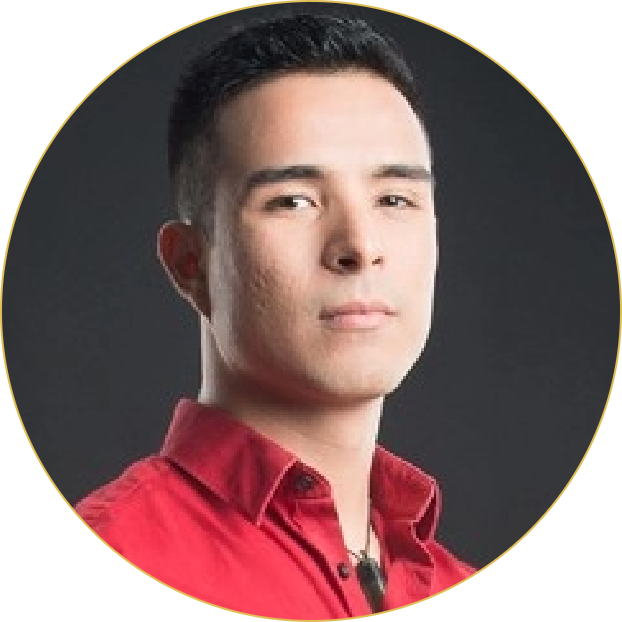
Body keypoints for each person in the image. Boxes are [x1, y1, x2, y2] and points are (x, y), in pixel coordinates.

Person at [75, 13, 477, 617]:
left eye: (395, 198)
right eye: (293, 201)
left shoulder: (451, 579)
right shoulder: (123, 547)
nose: (360, 245)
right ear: (189, 263)